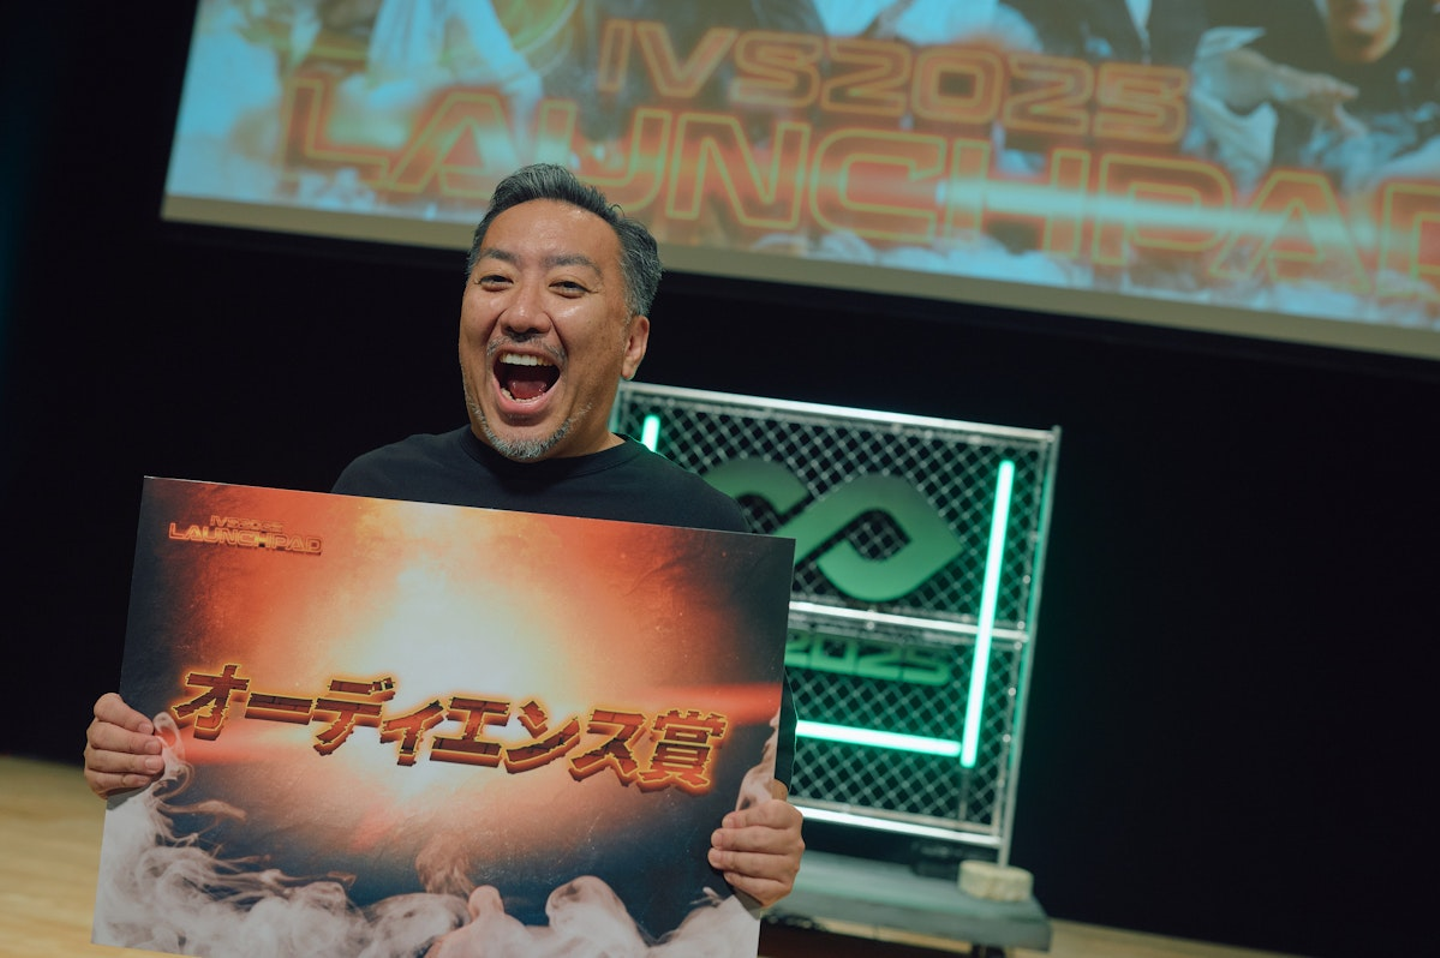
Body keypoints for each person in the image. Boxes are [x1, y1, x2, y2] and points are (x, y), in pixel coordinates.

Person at [84, 162, 804, 911]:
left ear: (632, 343)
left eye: (566, 285)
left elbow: (755, 780)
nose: (522, 312)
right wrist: (144, 760)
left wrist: (767, 844)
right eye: (496, 280)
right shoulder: (376, 491)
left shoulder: (701, 533)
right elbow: (271, 748)